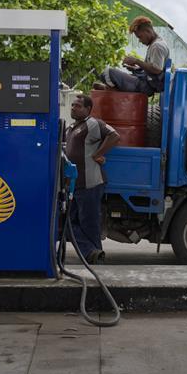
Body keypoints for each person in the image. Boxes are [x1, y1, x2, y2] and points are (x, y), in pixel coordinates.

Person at [64, 94, 120, 264]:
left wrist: (98, 153)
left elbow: (114, 136)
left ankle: (96, 258)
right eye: (73, 105)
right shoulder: (71, 128)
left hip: (90, 184)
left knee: (89, 224)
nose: (74, 107)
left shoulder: (93, 124)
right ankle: (91, 252)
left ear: (88, 109)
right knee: (69, 224)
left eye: (78, 106)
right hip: (75, 185)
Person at [95, 16, 170, 94]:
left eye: (140, 37)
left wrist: (136, 61)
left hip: (146, 85)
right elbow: (152, 67)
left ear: (148, 31)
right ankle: (109, 89)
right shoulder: (155, 44)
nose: (140, 41)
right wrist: (136, 68)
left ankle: (110, 90)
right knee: (108, 75)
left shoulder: (157, 46)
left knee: (108, 72)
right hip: (145, 81)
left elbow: (157, 69)